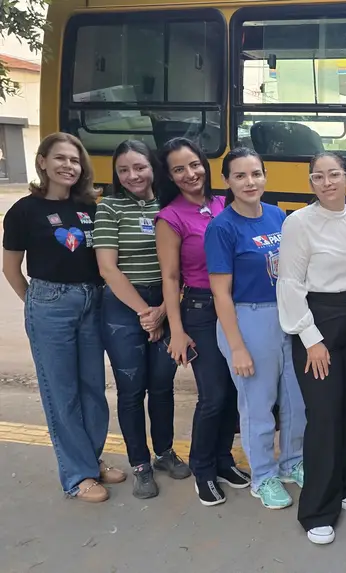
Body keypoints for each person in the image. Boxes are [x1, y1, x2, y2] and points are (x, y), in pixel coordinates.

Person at [1, 132, 119, 502]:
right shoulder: (23, 210)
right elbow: (11, 268)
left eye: (75, 160)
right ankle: (76, 474)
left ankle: (90, 459)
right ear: (42, 162)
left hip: (91, 299)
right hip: (50, 302)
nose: (69, 166)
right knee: (61, 392)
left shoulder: (89, 207)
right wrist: (37, 303)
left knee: (92, 389)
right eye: (61, 158)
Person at [278, 152, 346, 545]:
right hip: (318, 320)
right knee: (324, 414)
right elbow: (289, 283)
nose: (327, 182)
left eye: (335, 174)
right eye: (318, 176)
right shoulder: (299, 223)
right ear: (311, 183)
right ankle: (318, 508)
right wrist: (311, 338)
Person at [205, 147, 305, 510]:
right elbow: (220, 292)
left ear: (265, 176)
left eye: (256, 174)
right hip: (248, 319)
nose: (250, 182)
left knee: (295, 400)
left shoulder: (278, 216)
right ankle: (263, 477)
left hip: (286, 317)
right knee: (258, 406)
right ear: (227, 182)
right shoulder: (222, 227)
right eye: (240, 176)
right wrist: (237, 347)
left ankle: (293, 462)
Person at [155, 137, 249, 507]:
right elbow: (171, 279)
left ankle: (224, 460)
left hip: (237, 305)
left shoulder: (224, 203)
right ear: (170, 176)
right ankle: (203, 468)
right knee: (213, 395)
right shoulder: (170, 217)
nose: (190, 173)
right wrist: (176, 331)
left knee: (234, 392)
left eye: (194, 164)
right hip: (199, 308)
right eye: (179, 169)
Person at [94, 139, 188, 499]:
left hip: (164, 302)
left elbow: (179, 269)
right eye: (123, 170)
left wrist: (164, 310)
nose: (132, 175)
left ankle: (164, 452)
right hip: (124, 306)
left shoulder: (170, 207)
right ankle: (140, 465)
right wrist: (145, 313)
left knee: (163, 385)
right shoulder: (111, 209)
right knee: (132, 391)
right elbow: (107, 268)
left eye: (139, 167)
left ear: (153, 167)